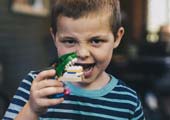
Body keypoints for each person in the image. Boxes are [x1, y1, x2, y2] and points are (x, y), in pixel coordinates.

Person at [3, 0, 145, 119]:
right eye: (70, 41)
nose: (82, 53)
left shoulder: (128, 101)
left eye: (96, 40)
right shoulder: (35, 86)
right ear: (55, 38)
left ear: (117, 38)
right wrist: (32, 110)